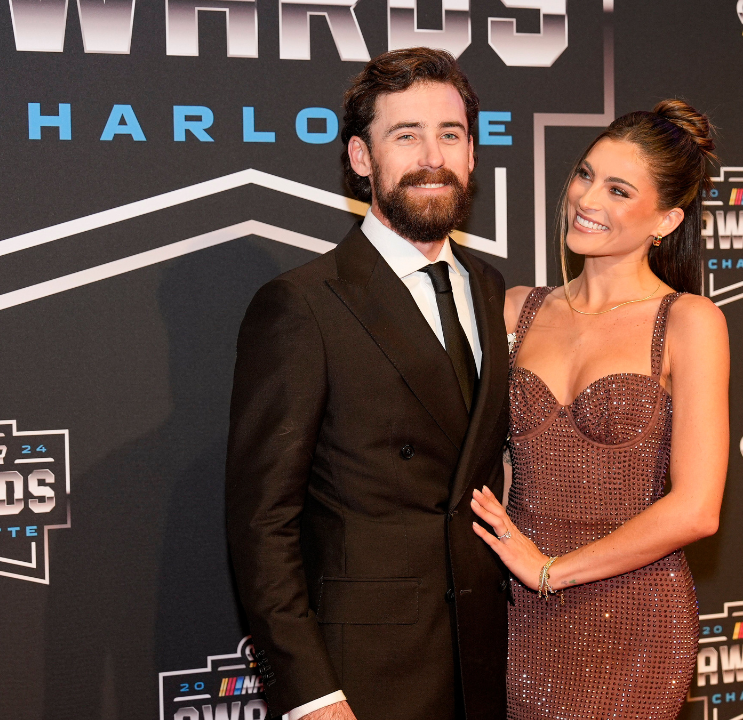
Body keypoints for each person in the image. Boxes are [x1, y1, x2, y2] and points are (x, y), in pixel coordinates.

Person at [225, 48, 509, 720]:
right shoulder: (304, 304)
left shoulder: (492, 288)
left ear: (472, 154)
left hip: (482, 665)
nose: (432, 157)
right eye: (405, 135)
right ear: (361, 159)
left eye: (450, 134)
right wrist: (313, 695)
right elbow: (263, 524)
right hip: (365, 680)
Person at [468, 101, 730, 719]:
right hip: (517, 611)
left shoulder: (689, 322)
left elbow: (696, 509)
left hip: (633, 615)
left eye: (618, 190)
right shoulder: (515, 310)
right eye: (586, 175)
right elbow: (488, 460)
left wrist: (552, 571)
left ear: (666, 219)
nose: (587, 199)